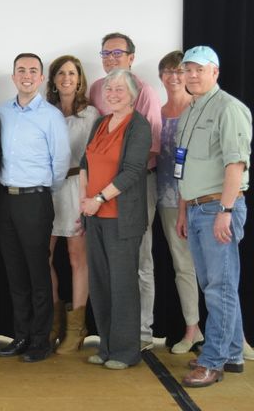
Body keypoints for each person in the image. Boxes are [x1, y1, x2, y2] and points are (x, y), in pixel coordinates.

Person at [176, 46, 251, 387]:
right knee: (216, 286)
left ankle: (213, 361)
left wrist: (226, 210)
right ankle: (232, 353)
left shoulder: (229, 108)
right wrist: (183, 210)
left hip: (217, 209)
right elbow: (183, 166)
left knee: (219, 287)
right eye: (187, 69)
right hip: (195, 208)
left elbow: (236, 164)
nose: (192, 75)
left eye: (199, 69)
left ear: (215, 72)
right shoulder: (190, 110)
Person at [0, 53, 70, 362]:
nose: (26, 75)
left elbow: (61, 162)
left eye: (33, 71)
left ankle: (41, 339)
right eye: (21, 70)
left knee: (38, 273)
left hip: (35, 200)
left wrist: (42, 191)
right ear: (13, 76)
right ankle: (21, 336)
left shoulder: (51, 116)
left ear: (41, 78)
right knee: (15, 274)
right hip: (5, 201)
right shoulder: (2, 112)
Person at [88, 32, 161, 350]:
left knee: (133, 268)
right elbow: (89, 158)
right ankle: (109, 343)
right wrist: (90, 197)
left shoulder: (143, 102)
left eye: (117, 52)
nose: (111, 58)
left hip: (130, 196)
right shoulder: (97, 100)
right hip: (97, 206)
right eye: (106, 53)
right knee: (104, 277)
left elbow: (139, 161)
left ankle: (136, 337)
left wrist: (104, 193)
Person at [80, 68, 151, 370]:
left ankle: (125, 352)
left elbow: (132, 172)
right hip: (94, 216)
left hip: (121, 218)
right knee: (100, 284)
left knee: (122, 285)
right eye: (109, 89)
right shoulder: (100, 122)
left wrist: (98, 199)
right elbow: (84, 163)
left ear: (133, 95)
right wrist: (85, 203)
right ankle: (106, 346)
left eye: (120, 89)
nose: (112, 94)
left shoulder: (139, 126)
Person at [45, 55, 99, 353]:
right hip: (48, 188)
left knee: (78, 258)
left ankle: (77, 327)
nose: (67, 78)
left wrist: (89, 197)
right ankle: (54, 322)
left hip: (78, 187)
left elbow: (97, 159)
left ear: (79, 79)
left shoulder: (90, 115)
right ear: (53, 80)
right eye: (61, 73)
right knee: (43, 256)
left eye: (72, 73)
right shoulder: (45, 111)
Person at [154, 51, 203, 354]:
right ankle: (192, 330)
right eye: (168, 72)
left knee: (214, 269)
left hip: (198, 198)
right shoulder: (156, 113)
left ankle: (234, 337)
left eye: (179, 71)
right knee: (182, 265)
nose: (174, 77)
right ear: (161, 76)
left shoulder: (197, 110)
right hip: (166, 200)